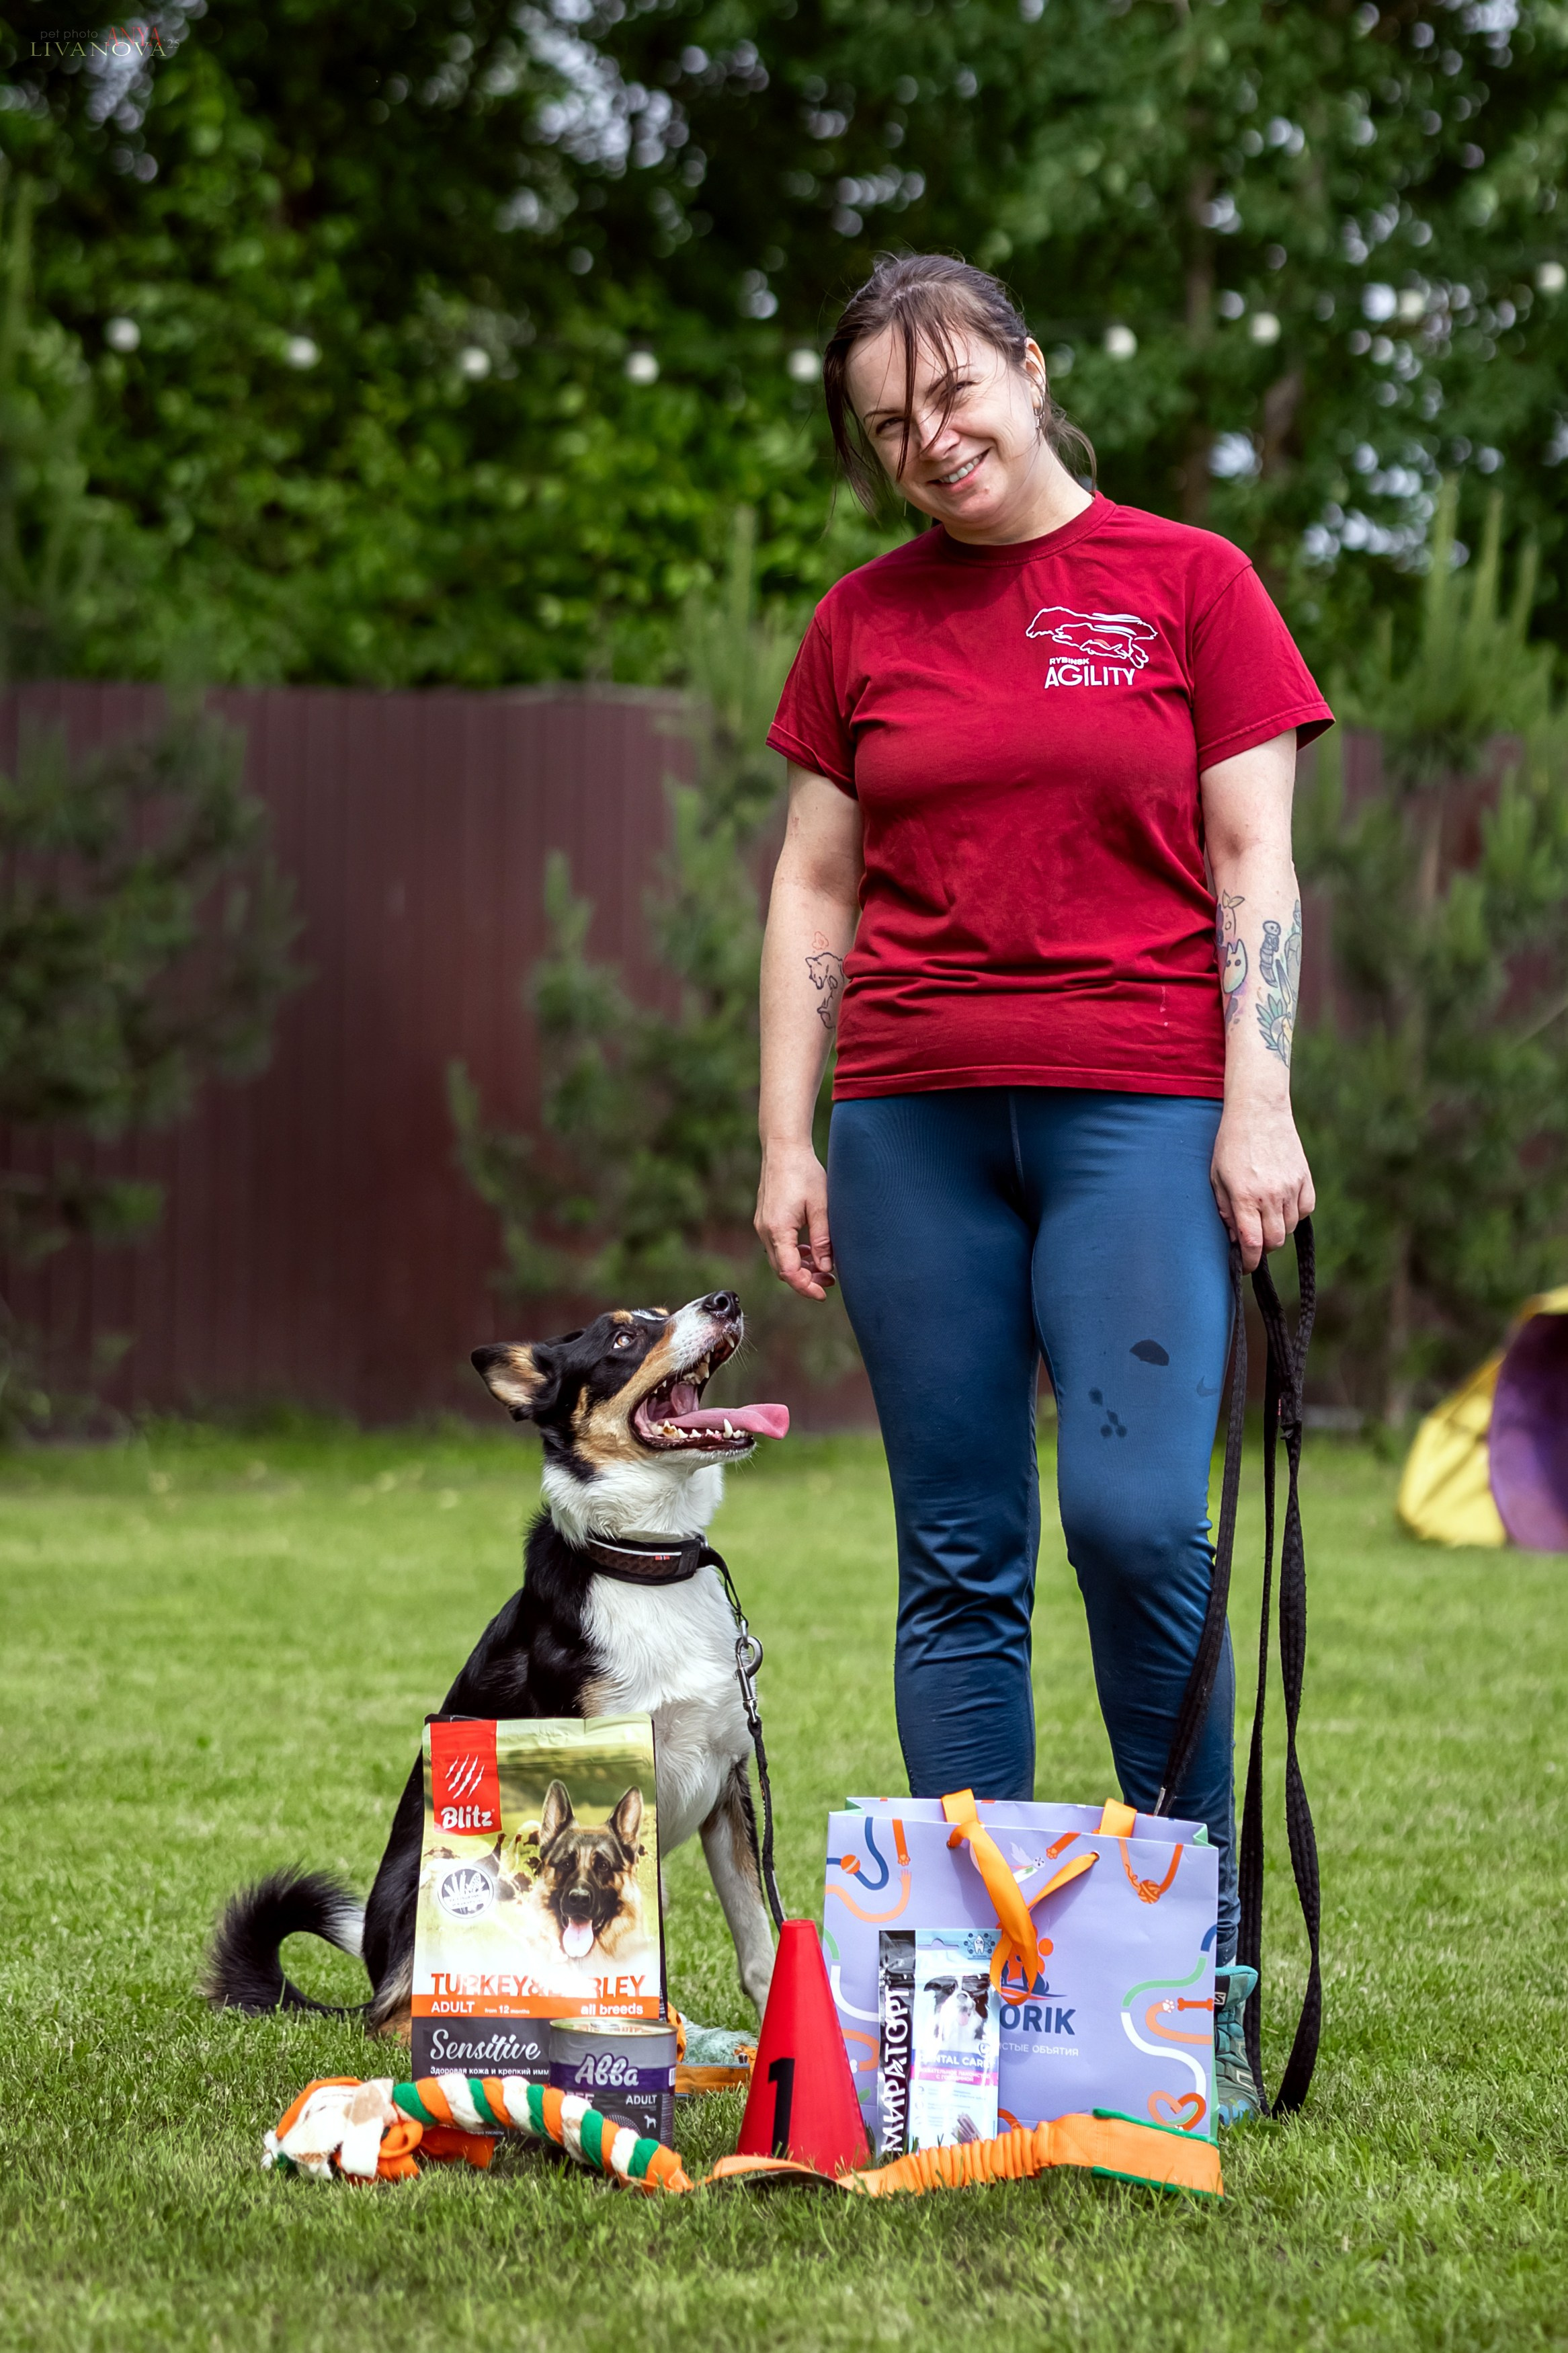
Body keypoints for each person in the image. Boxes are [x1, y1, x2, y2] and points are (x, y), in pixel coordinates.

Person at [753, 253, 1331, 2125]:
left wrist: (1262, 1102)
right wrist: (787, 1133)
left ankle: (1188, 1974)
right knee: (960, 1557)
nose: (930, 441)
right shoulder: (858, 623)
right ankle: (980, 2003)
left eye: (951, 394)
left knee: (1147, 1522)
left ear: (1026, 366)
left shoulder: (1192, 584)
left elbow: (1257, 863)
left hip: (1142, 1110)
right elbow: (816, 890)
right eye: (888, 426)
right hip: (912, 1121)